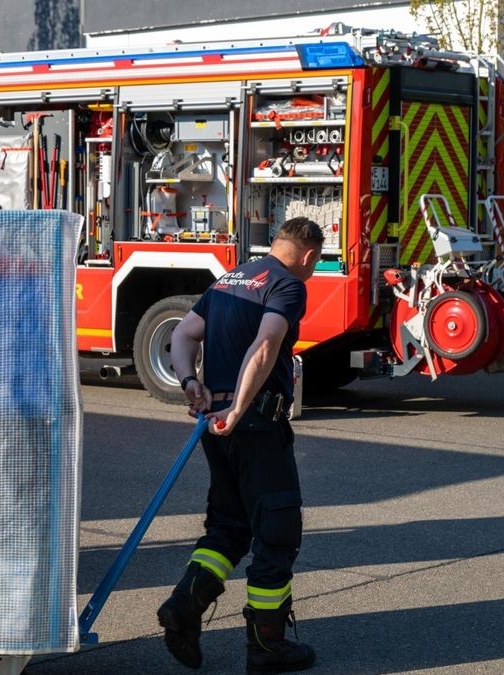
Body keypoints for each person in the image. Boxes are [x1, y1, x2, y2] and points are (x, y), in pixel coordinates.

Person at [159, 217, 324, 673]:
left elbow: (182, 334)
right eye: (314, 262)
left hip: (216, 426)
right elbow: (267, 345)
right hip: (253, 426)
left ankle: (184, 606)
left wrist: (190, 381)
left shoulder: (231, 278)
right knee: (277, 531)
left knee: (229, 528)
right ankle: (267, 646)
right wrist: (240, 410)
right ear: (308, 256)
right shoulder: (288, 285)